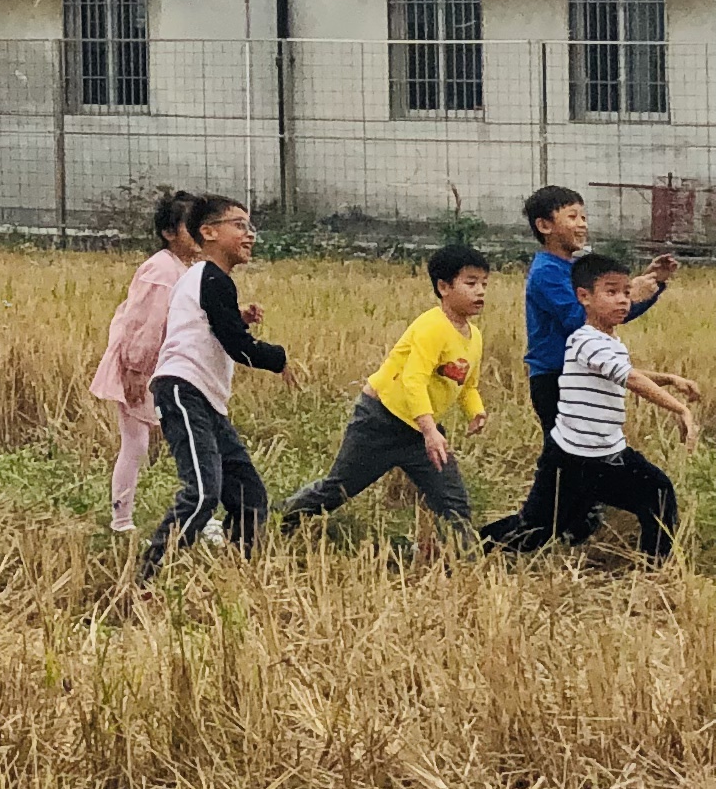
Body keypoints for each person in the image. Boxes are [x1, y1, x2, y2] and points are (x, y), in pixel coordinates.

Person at [498, 187, 678, 549]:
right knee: (569, 485)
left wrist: (650, 286)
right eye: (572, 216)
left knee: (569, 489)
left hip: (579, 377)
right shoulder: (548, 272)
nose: (582, 224)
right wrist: (638, 289)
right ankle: (499, 544)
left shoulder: (571, 271)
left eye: (583, 216)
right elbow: (580, 320)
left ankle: (559, 533)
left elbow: (608, 315)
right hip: (555, 382)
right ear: (545, 225)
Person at [279, 244, 490, 550]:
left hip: (421, 429)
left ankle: (465, 557)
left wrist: (476, 411)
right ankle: (270, 520)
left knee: (452, 498)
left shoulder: (474, 337)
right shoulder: (432, 327)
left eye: (484, 283)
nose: (480, 291)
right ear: (443, 287)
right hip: (381, 421)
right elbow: (412, 380)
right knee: (338, 489)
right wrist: (431, 430)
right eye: (470, 283)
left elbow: (467, 384)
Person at [512, 253, 699, 563]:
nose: (623, 300)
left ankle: (655, 569)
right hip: (571, 459)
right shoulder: (585, 339)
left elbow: (620, 371)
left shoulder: (607, 340)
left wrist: (669, 378)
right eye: (611, 292)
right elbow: (630, 377)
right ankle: (469, 548)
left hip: (604, 454)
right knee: (535, 530)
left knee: (658, 492)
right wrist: (680, 409)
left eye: (627, 292)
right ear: (583, 297)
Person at [136, 194, 286, 578]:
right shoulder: (209, 277)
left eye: (250, 227)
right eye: (239, 225)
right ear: (208, 232)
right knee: (203, 494)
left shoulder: (208, 280)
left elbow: (213, 323)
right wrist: (278, 358)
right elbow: (237, 346)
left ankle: (237, 577)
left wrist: (237, 317)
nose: (249, 235)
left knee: (249, 497)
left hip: (206, 399)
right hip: (183, 391)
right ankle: (148, 578)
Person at [89, 193, 198, 537]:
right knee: (136, 444)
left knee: (168, 442)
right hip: (142, 370)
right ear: (169, 232)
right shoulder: (162, 270)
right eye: (190, 226)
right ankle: (122, 520)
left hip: (161, 368)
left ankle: (193, 512)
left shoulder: (184, 269)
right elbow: (143, 323)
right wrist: (135, 370)